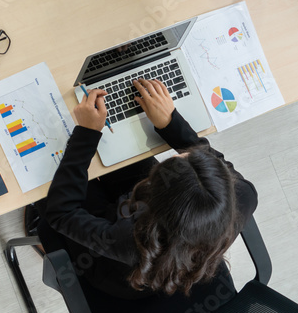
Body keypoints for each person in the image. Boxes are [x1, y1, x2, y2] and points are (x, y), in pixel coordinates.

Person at [43, 79, 257, 300]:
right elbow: (212, 159)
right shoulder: (243, 195)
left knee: (51, 178)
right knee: (121, 152)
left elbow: (62, 212)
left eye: (178, 160)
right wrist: (170, 122)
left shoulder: (131, 241)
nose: (179, 154)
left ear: (152, 199)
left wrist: (86, 134)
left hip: (111, 265)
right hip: (161, 230)